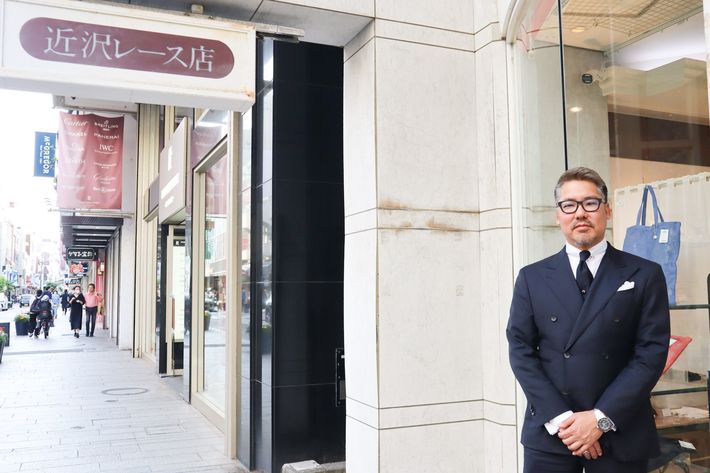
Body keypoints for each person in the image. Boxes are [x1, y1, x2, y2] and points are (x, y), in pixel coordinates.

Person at [507, 167, 670, 473]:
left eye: (590, 203)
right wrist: (565, 422)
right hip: (553, 433)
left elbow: (650, 354)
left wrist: (599, 420)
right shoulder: (532, 277)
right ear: (558, 215)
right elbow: (520, 352)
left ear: (607, 210)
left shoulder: (645, 273)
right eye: (569, 205)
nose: (580, 213)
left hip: (620, 430)